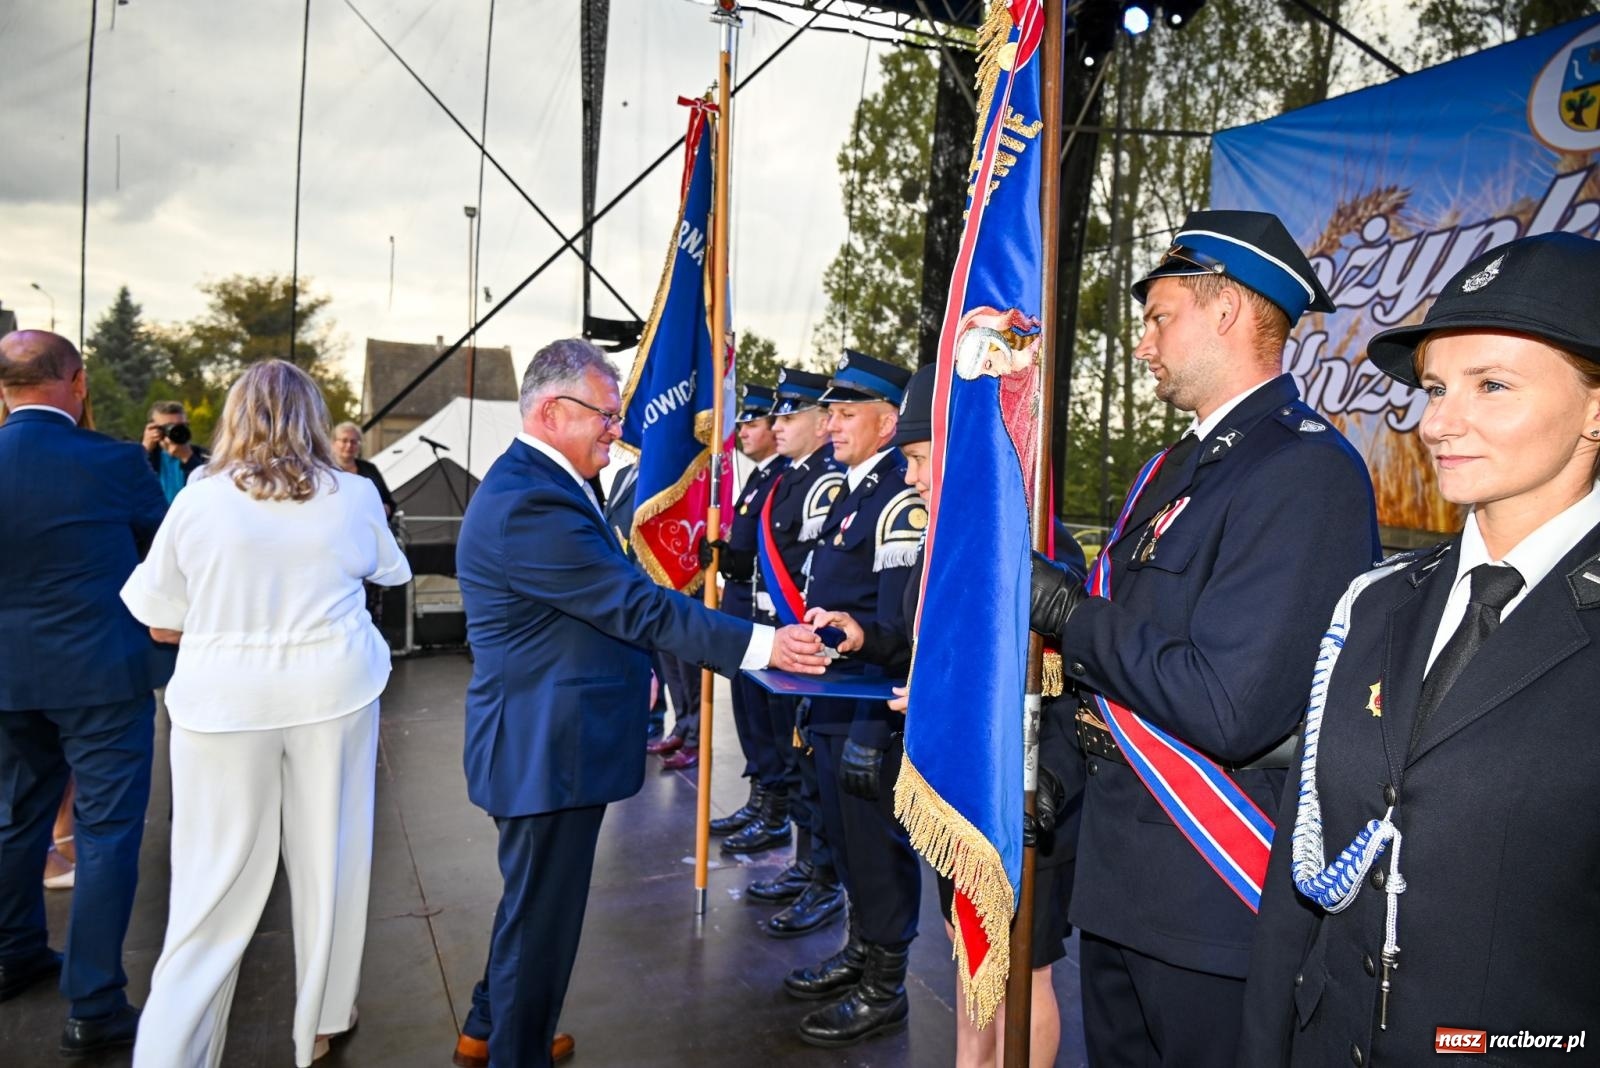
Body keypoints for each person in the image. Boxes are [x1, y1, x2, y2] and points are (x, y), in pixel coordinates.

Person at [1027, 210, 1381, 1067]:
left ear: (1226, 312)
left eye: (1158, 318)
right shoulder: (1172, 468)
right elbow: (1118, 676)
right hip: (1120, 880)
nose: (1143, 344)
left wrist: (1070, 616)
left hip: (1212, 896)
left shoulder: (1306, 472)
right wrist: (1055, 781)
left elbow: (1229, 707)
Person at [1240, 232, 1600, 1065]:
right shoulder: (1374, 606)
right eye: (1437, 387)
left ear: (1595, 408)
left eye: (1493, 385)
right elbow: (1299, 887)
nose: (1436, 422)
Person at [452, 338, 829, 1068]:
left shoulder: (546, 485)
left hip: (550, 738)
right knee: (542, 922)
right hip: (545, 746)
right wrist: (762, 645)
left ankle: (488, 1024)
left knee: (532, 902)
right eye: (608, 414)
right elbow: (637, 607)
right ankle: (516, 1050)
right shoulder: (532, 500)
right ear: (556, 411)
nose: (618, 429)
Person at [121, 360, 411, 1068]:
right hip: (331, 691)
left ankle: (170, 1052)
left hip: (223, 700)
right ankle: (319, 1021)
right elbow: (390, 572)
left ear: (233, 414)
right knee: (330, 859)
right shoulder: (351, 493)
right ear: (313, 415)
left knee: (208, 888)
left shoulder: (198, 499)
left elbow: (158, 619)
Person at [808, 365, 1087, 1066]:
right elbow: (931, 650)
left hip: (1023, 791)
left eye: (918, 458)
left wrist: (945, 698)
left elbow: (1045, 681)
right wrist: (870, 637)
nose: (909, 478)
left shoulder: (1039, 542)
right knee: (970, 950)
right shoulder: (947, 540)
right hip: (959, 782)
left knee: (1027, 966)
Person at [0, 330, 168, 1056]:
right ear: (77, 381)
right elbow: (160, 554)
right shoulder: (115, 461)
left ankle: (13, 953)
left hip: (7, 677)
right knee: (104, 832)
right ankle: (93, 1001)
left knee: (15, 818)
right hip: (101, 673)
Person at [782, 350, 925, 1049]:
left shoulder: (900, 496)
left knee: (876, 846)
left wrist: (870, 711)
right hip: (834, 697)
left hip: (874, 706)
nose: (830, 424)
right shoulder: (851, 490)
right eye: (830, 412)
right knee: (844, 837)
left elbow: (900, 630)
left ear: (888, 420)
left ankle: (886, 984)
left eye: (845, 413)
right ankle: (859, 951)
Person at [741, 367, 849, 928]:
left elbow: (812, 571)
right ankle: (808, 866)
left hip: (811, 641)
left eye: (790, 416)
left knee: (810, 763)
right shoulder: (786, 479)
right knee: (796, 757)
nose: (778, 426)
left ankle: (823, 876)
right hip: (779, 634)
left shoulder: (828, 483)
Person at [698, 384, 792, 844]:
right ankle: (760, 795)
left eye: (753, 423)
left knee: (768, 716)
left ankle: (775, 809)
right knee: (748, 713)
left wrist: (734, 560)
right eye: (743, 425)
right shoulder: (757, 477)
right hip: (739, 604)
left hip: (761, 609)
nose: (744, 433)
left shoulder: (781, 477)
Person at [144, 400, 208, 502]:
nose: (176, 431)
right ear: (152, 428)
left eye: (181, 426)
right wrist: (145, 450)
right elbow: (128, 483)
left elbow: (211, 488)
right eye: (168, 427)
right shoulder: (142, 456)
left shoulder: (203, 456)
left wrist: (188, 458)